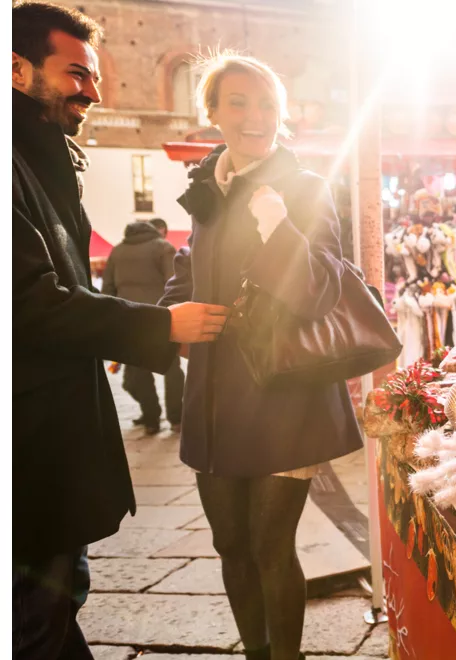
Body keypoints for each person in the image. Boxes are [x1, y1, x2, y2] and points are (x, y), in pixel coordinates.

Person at [12, 3, 230, 658]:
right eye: (77, 72)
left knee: (51, 610)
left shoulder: (38, 155)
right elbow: (30, 302)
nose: (95, 91)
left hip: (43, 447)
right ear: (15, 69)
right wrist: (162, 326)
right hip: (27, 454)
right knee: (39, 618)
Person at [160, 53, 363, 660]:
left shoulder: (304, 188)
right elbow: (185, 275)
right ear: (214, 112)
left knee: (271, 544)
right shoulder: (205, 187)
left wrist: (278, 228)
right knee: (231, 545)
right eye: (239, 103)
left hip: (283, 397)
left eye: (268, 104)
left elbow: (318, 291)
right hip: (215, 400)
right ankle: (256, 651)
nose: (256, 117)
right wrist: (170, 324)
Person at [102, 217, 185, 434]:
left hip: (130, 321)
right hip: (161, 318)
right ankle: (176, 418)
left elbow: (107, 289)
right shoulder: (163, 247)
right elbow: (174, 283)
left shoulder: (117, 251)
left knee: (137, 373)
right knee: (172, 369)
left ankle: (151, 420)